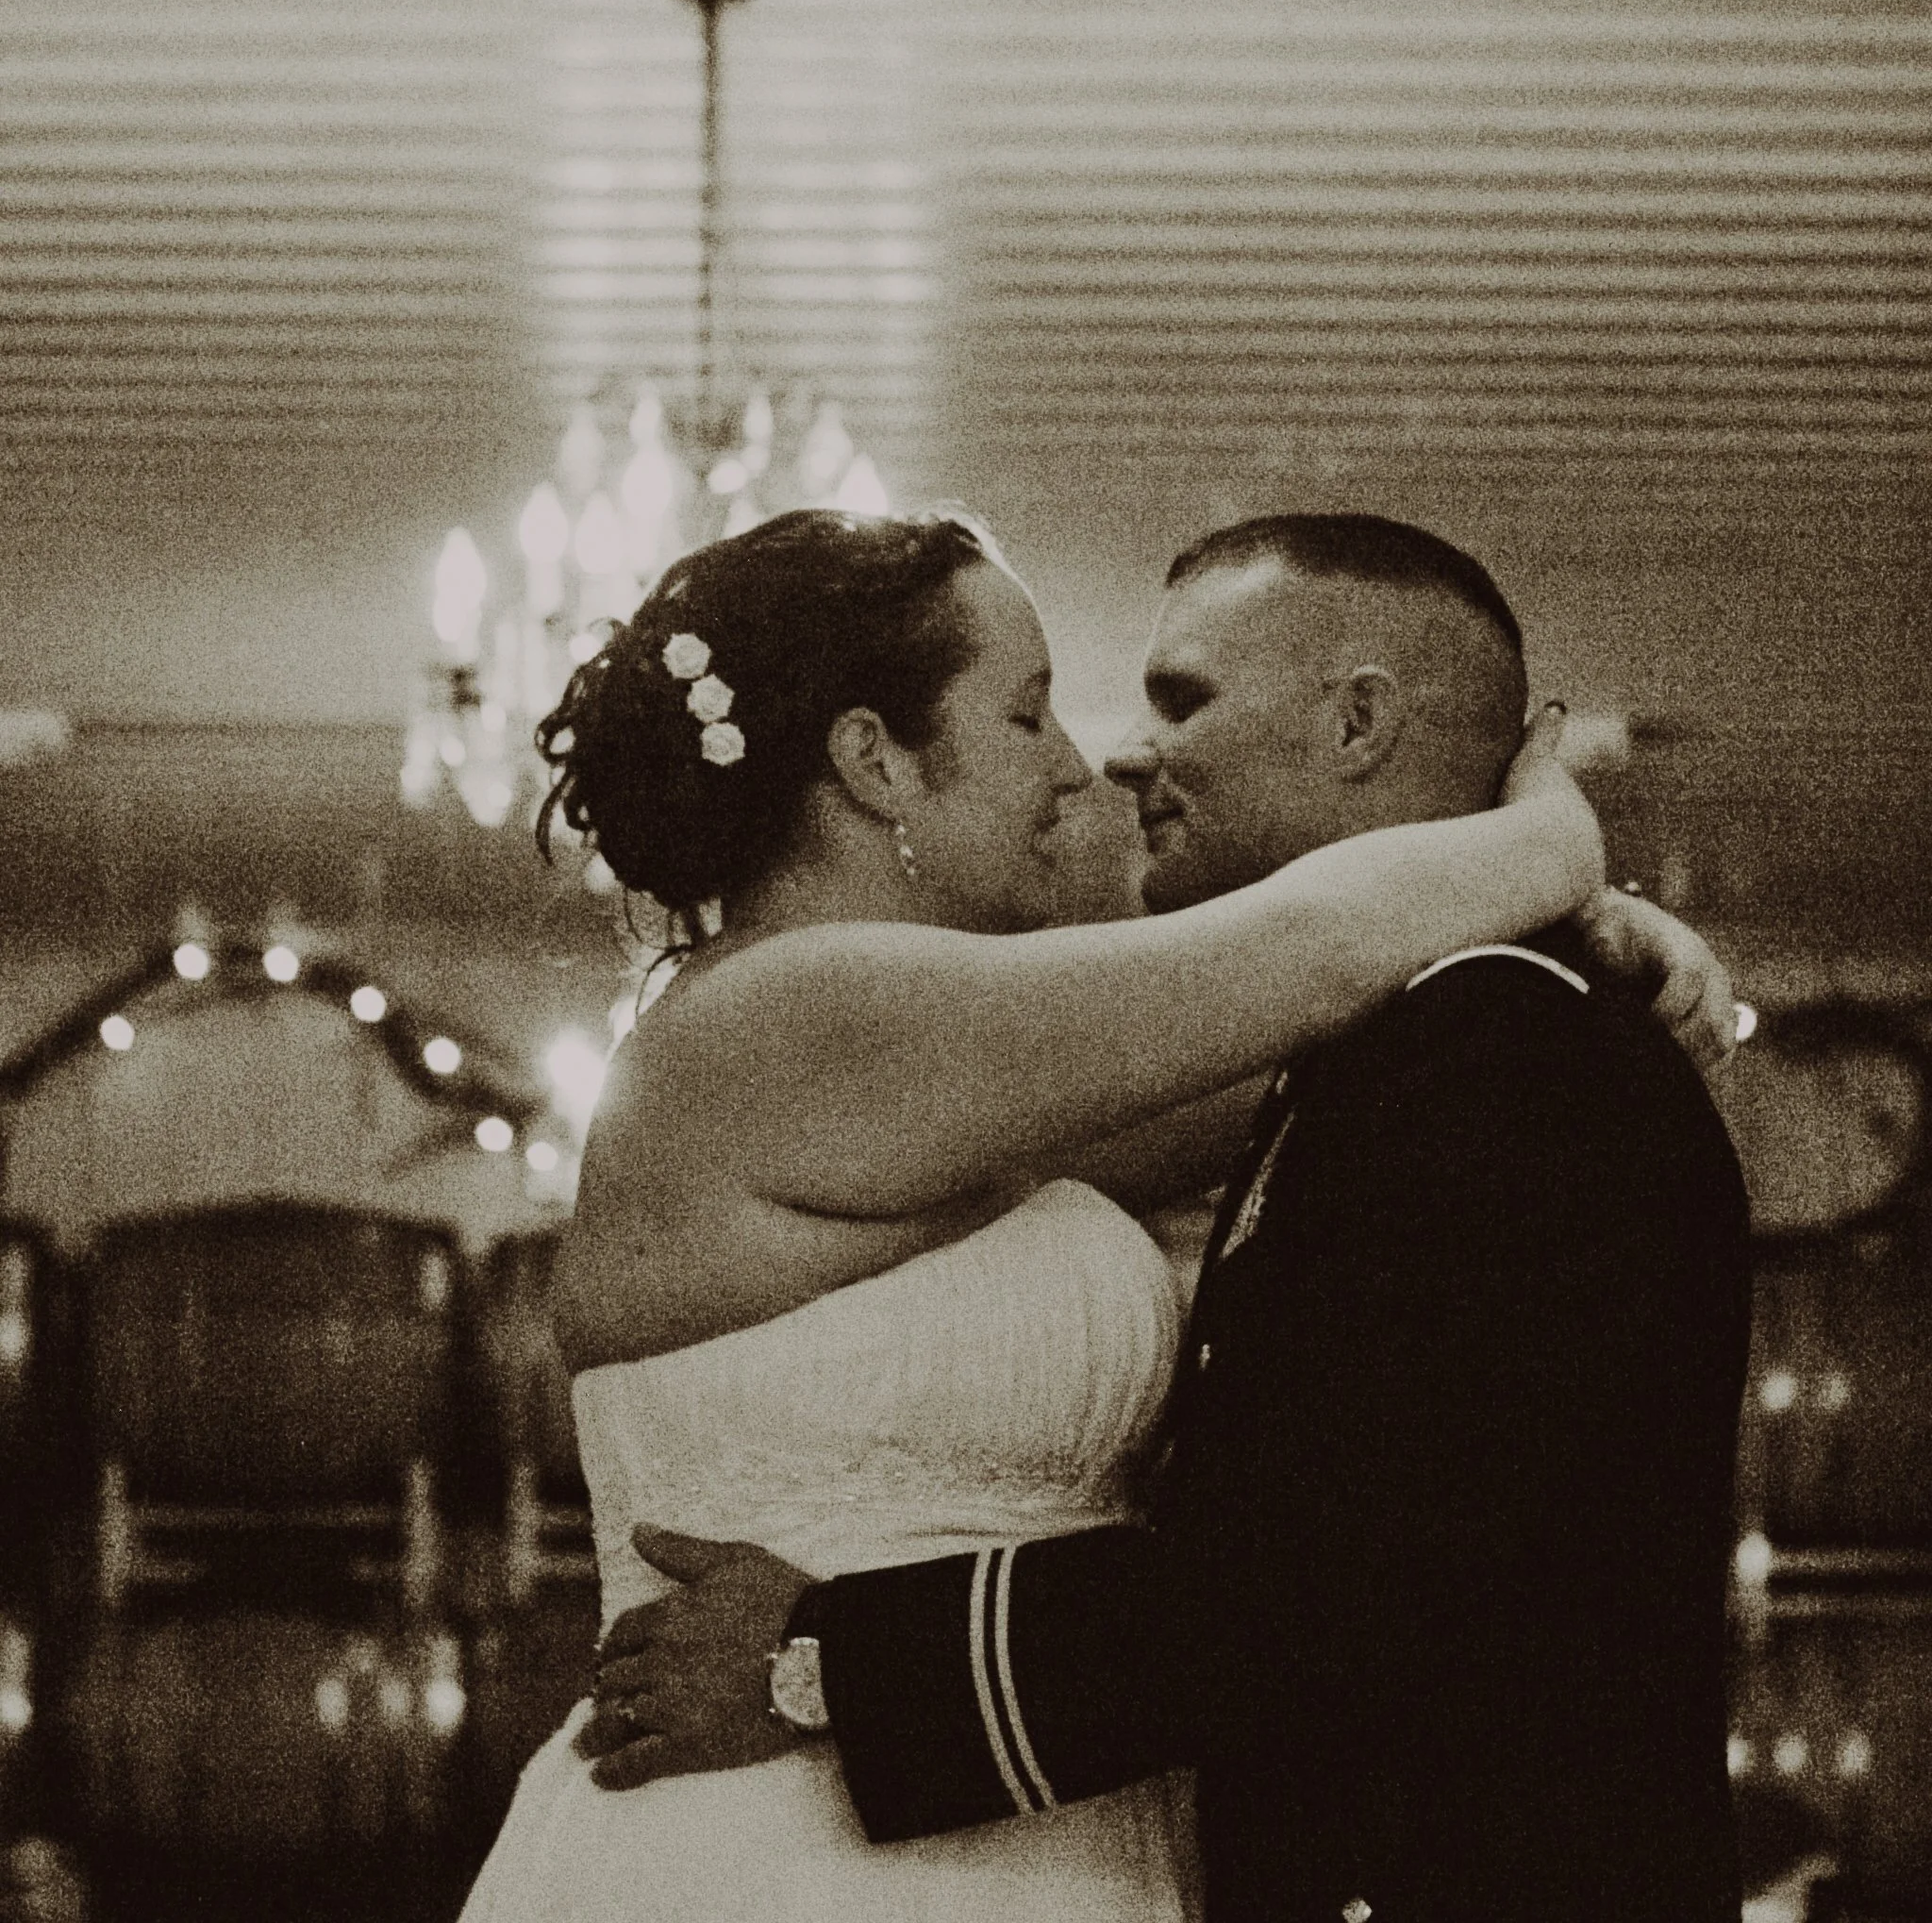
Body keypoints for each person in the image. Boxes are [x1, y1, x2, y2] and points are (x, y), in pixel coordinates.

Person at [458, 505, 1713, 1923]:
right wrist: (1552, 831)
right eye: (1027, 712)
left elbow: (1342, 1056)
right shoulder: (791, 1015)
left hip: (1031, 1814)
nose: (1080, 765)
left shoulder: (986, 1091)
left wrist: (1562, 942)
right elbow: (1320, 953)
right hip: (789, 1852)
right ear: (876, 762)